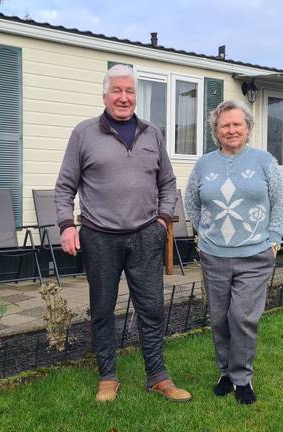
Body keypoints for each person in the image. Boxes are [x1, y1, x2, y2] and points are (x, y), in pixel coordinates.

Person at [54, 64, 191, 403]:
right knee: (102, 308)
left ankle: (158, 376)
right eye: (117, 90)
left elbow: (168, 182)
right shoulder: (84, 134)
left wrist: (162, 221)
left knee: (152, 308)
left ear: (135, 95)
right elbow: (64, 187)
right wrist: (67, 226)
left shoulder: (151, 134)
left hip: (146, 234)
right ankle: (107, 377)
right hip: (100, 236)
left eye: (130, 91)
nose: (124, 97)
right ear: (105, 95)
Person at [185, 99, 283, 404]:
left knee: (242, 317)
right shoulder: (204, 164)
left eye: (236, 124)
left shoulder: (264, 161)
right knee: (219, 318)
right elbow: (192, 201)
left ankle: (242, 377)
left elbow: (280, 202)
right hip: (214, 254)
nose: (231, 130)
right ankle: (225, 374)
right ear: (216, 131)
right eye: (224, 125)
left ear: (247, 128)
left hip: (256, 254)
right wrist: (204, 234)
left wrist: (273, 240)